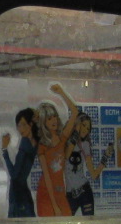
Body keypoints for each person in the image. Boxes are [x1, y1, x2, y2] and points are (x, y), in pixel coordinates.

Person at [32, 84, 83, 217]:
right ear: (43, 123)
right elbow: (47, 177)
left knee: (67, 223)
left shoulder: (62, 138)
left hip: (60, 192)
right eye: (49, 119)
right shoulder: (42, 146)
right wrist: (55, 206)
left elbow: (75, 112)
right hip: (46, 194)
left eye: (54, 116)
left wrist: (61, 92)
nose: (53, 120)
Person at [63, 111, 109, 216]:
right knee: (66, 222)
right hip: (70, 194)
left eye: (88, 128)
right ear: (77, 124)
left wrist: (105, 157)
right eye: (83, 125)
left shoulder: (85, 145)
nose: (85, 130)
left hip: (85, 191)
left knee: (89, 223)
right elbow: (66, 155)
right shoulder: (65, 141)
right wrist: (76, 130)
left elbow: (94, 175)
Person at [0, 108, 37, 218]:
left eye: (24, 125)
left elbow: (14, 174)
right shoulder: (35, 142)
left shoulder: (25, 142)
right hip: (23, 192)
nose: (21, 129)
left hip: (18, 193)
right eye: (19, 126)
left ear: (31, 124)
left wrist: (4, 150)